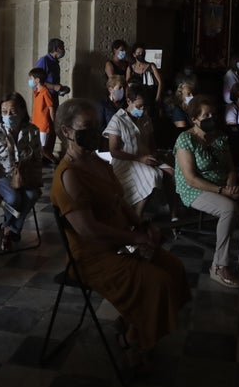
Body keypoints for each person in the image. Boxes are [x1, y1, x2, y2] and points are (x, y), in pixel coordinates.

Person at [50, 98, 191, 370]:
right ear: (67, 131)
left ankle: (132, 322)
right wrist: (135, 239)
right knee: (156, 282)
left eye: (96, 125)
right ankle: (132, 340)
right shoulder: (70, 175)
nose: (95, 131)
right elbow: (89, 230)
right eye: (87, 126)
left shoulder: (98, 162)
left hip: (119, 242)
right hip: (92, 256)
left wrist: (142, 226)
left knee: (173, 268)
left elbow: (120, 201)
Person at [174, 95, 239, 288]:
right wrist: (222, 191)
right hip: (194, 189)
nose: (211, 118)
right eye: (206, 115)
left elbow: (230, 168)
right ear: (194, 119)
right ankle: (219, 266)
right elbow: (190, 178)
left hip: (223, 186)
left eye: (212, 114)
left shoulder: (220, 137)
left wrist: (230, 186)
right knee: (228, 208)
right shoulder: (186, 139)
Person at [0, 93, 44, 252]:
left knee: (33, 194)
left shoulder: (32, 131)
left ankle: (8, 228)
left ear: (22, 112)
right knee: (13, 198)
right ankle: (11, 231)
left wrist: (36, 180)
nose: (8, 116)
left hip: (23, 175)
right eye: (4, 112)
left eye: (13, 112)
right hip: (0, 176)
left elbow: (37, 159)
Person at [104, 85, 177, 218]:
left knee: (172, 173)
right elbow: (114, 151)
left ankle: (174, 215)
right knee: (153, 175)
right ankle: (137, 217)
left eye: (145, 106)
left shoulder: (145, 118)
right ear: (129, 101)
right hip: (127, 162)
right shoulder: (117, 120)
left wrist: (154, 155)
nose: (142, 110)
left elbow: (151, 142)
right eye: (139, 106)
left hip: (146, 158)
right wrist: (140, 158)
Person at [35, 38, 70, 158]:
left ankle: (48, 152)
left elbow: (54, 83)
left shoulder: (55, 63)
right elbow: (36, 80)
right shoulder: (44, 60)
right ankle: (42, 152)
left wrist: (61, 89)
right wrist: (53, 86)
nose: (63, 50)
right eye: (62, 47)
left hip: (54, 97)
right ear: (55, 48)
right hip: (44, 98)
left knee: (54, 124)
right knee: (45, 124)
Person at [29, 67, 57, 163]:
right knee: (35, 146)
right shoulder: (37, 91)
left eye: (31, 78)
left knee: (42, 148)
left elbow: (51, 108)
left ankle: (55, 161)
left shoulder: (45, 92)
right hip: (35, 124)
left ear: (37, 80)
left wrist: (54, 122)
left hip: (43, 125)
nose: (30, 81)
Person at [97, 74, 128, 140]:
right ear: (110, 89)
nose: (122, 90)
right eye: (119, 88)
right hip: (109, 139)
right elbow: (100, 127)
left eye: (124, 87)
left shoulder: (126, 103)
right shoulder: (103, 104)